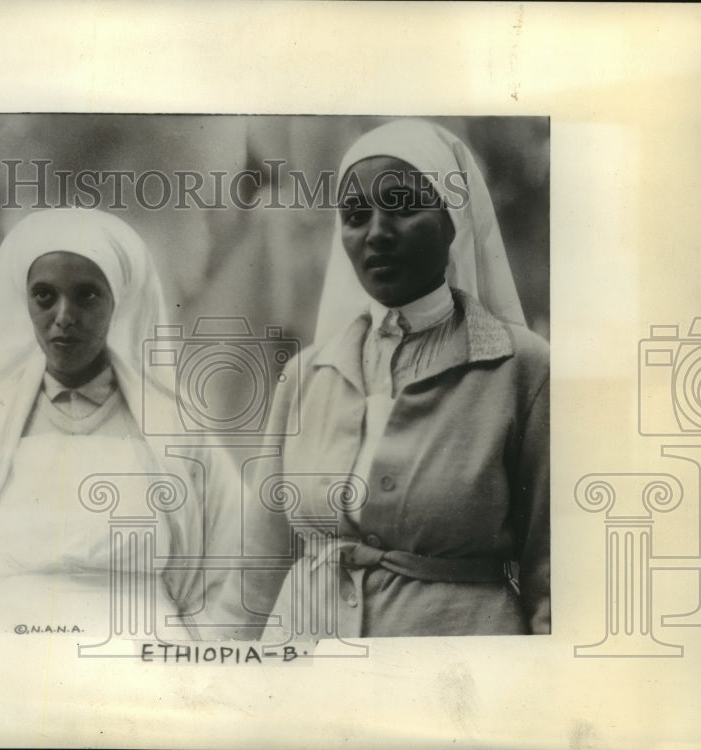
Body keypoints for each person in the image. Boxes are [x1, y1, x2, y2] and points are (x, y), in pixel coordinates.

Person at [236, 118, 550, 638]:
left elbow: (551, 574)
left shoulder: (523, 370)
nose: (377, 232)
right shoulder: (307, 376)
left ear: (454, 222)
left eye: (403, 206)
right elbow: (259, 565)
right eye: (356, 215)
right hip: (310, 664)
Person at [0, 208, 238, 636]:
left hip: (145, 676)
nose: (64, 316)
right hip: (5, 675)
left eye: (87, 295)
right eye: (44, 296)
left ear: (120, 302)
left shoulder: (178, 433)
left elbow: (232, 573)